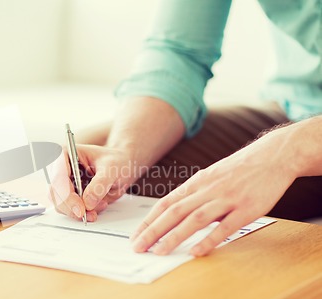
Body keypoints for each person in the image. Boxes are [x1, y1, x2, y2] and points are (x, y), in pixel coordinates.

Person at [51, 0, 322, 257]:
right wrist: (124, 151)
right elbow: (180, 50)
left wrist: (290, 150)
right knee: (97, 165)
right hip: (298, 107)